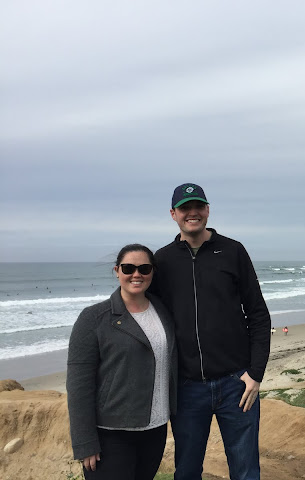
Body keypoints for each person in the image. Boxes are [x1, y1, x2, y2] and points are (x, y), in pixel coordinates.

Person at [150, 183, 271, 480]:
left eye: (198, 206)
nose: (192, 213)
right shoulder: (162, 260)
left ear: (207, 210)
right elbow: (147, 316)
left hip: (236, 384)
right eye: (185, 208)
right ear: (173, 214)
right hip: (187, 388)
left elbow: (258, 313)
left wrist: (255, 373)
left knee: (245, 471)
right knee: (187, 472)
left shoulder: (233, 251)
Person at [67, 244, 177, 480]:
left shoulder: (163, 311)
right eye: (128, 268)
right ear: (117, 271)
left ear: (152, 272)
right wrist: (85, 442)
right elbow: (79, 386)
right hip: (111, 434)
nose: (137, 274)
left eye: (144, 268)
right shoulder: (94, 318)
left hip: (155, 429)